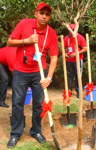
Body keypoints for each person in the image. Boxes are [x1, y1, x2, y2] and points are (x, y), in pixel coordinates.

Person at [6, 3, 58, 149]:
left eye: (47, 14)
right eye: (41, 13)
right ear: (35, 13)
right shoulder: (24, 24)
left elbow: (54, 58)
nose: (44, 16)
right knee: (17, 103)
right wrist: (26, 41)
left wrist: (49, 78)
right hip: (20, 71)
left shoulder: (51, 33)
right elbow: (9, 42)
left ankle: (36, 131)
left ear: (49, 17)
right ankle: (15, 133)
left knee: (39, 105)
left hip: (39, 74)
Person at [64, 24, 87, 98]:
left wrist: (77, 53)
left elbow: (85, 48)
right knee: (69, 76)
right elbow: (63, 48)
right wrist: (65, 54)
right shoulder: (66, 38)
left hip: (78, 60)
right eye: (71, 30)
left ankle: (78, 92)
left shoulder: (80, 37)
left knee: (78, 76)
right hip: (69, 61)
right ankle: (68, 91)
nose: (72, 31)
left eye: (74, 30)